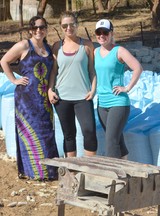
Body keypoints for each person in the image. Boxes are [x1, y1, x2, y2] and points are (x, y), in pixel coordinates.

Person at [0, 16, 59, 180]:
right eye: (35, 28)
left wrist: (50, 89)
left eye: (42, 27)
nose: (38, 30)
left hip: (43, 97)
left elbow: (53, 72)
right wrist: (14, 80)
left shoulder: (48, 48)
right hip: (26, 98)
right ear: (30, 30)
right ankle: (34, 172)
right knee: (31, 133)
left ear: (46, 28)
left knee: (46, 131)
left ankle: (49, 171)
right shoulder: (24, 45)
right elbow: (4, 61)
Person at [48, 11, 97, 157]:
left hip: (83, 97)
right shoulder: (57, 46)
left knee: (89, 131)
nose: (68, 28)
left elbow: (92, 71)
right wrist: (50, 90)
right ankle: (72, 168)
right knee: (68, 134)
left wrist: (93, 89)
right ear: (61, 27)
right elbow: (53, 72)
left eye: (72, 24)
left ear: (77, 25)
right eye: (64, 25)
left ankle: (90, 168)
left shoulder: (87, 45)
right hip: (62, 98)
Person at [94, 19, 143, 159]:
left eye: (105, 32)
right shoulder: (95, 51)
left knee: (111, 141)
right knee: (117, 140)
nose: (102, 35)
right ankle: (125, 170)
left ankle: (114, 176)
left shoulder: (119, 51)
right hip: (101, 103)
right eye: (98, 32)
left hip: (118, 102)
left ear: (111, 33)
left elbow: (137, 68)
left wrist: (127, 88)